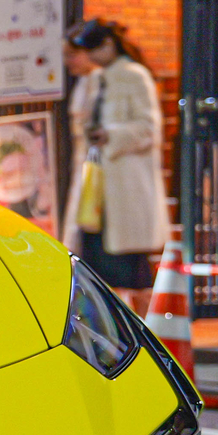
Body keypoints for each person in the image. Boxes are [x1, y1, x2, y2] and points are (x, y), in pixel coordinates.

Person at [64, 17, 169, 289]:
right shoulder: (98, 79)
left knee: (128, 270)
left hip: (125, 187)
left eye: (93, 50)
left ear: (108, 45)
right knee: (97, 267)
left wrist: (111, 134)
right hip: (99, 187)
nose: (89, 57)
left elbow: (148, 128)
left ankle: (138, 328)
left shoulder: (134, 75)